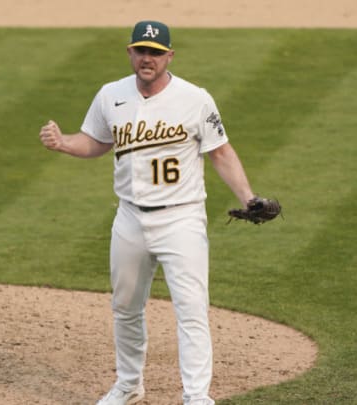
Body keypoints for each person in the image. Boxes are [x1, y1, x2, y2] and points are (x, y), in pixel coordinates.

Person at [38, 20, 258, 405]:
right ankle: (128, 385)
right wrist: (63, 143)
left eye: (155, 53)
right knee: (125, 307)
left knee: (191, 311)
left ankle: (196, 396)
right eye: (141, 50)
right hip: (130, 218)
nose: (147, 59)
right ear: (130, 52)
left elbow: (220, 152)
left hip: (181, 218)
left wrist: (248, 198)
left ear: (169, 56)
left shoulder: (195, 98)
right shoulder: (111, 95)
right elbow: (95, 141)